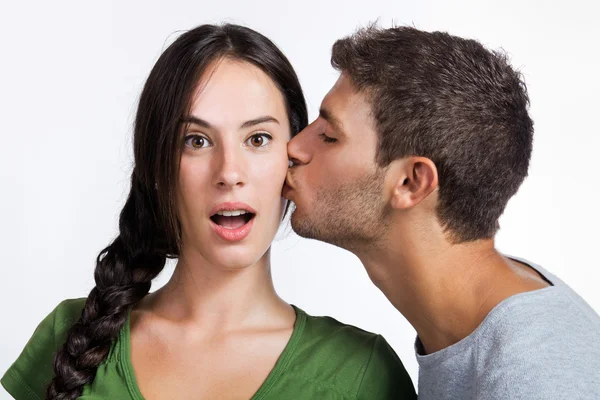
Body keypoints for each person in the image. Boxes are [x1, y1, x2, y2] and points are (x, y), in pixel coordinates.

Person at [1, 24, 416, 400]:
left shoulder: (362, 374)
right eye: (196, 141)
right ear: (157, 165)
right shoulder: (70, 336)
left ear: (293, 158)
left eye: (257, 138)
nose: (229, 173)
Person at [284, 25, 600, 399]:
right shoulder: (498, 314)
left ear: (411, 182)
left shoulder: (533, 376)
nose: (294, 146)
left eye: (329, 136)